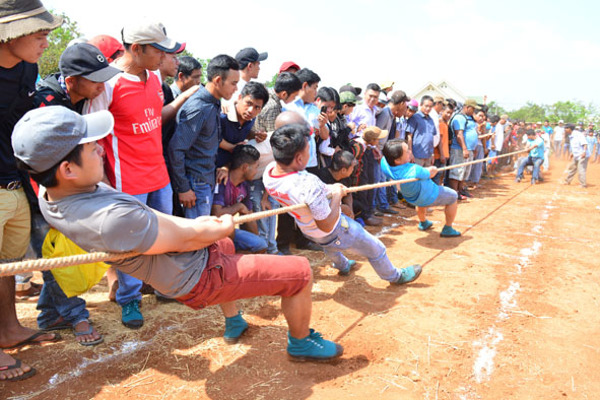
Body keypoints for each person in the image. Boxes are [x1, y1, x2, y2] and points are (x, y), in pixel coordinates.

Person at [13, 106, 344, 362]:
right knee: (299, 272)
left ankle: (234, 322)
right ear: (67, 169)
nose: (101, 149)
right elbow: (185, 238)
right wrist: (217, 224)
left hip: (185, 262)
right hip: (194, 276)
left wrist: (209, 231)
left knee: (225, 242)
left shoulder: (51, 193)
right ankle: (301, 343)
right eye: (90, 147)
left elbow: (149, 218)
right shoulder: (109, 219)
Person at [87, 20, 184, 329]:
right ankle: (129, 299)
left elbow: (154, 121)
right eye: (159, 50)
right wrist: (99, 181)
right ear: (137, 49)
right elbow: (90, 134)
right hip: (125, 181)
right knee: (128, 244)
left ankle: (160, 285)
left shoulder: (155, 78)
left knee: (162, 237)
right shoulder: (109, 84)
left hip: (159, 176)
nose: (164, 57)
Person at [33, 41, 121, 345]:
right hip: (40, 184)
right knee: (57, 252)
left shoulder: (81, 96)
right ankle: (76, 314)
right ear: (71, 81)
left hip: (64, 180)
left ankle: (49, 314)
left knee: (60, 250)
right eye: (96, 80)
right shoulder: (45, 103)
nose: (102, 85)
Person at [264, 122, 423, 284]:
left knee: (328, 246)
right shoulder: (307, 183)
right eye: (307, 150)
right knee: (376, 248)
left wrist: (330, 188)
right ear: (298, 158)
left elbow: (308, 194)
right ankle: (395, 276)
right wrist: (337, 196)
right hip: (333, 229)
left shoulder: (269, 172)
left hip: (307, 229)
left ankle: (343, 265)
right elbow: (326, 224)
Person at [0, 0, 63, 381]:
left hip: (12, 182)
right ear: (10, 32)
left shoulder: (28, 68)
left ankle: (8, 328)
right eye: (38, 32)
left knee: (8, 266)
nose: (45, 40)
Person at [169, 55, 240, 218]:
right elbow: (176, 149)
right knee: (197, 239)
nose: (236, 88)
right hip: (195, 184)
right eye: (233, 83)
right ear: (217, 80)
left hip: (204, 179)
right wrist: (184, 188)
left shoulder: (212, 103)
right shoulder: (199, 107)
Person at [382, 139, 461, 237]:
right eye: (407, 151)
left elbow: (383, 159)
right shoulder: (414, 170)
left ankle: (423, 222)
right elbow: (431, 173)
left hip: (411, 198)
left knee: (420, 197)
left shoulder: (385, 164)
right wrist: (433, 169)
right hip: (428, 196)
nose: (410, 152)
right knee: (453, 196)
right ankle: (448, 228)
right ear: (397, 160)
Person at [212, 145, 267, 253]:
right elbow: (217, 214)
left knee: (260, 245)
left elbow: (249, 216)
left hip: (229, 231)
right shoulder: (222, 180)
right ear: (245, 167)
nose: (257, 171)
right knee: (230, 230)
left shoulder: (245, 185)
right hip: (213, 232)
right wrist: (239, 207)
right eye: (256, 167)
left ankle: (231, 258)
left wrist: (257, 241)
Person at [217, 81, 269, 168]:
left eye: (257, 107)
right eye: (249, 103)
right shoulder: (222, 116)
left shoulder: (251, 119)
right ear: (240, 98)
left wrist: (255, 135)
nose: (251, 110)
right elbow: (212, 137)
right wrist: (233, 147)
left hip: (229, 167)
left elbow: (243, 132)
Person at [447, 99, 481, 200]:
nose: (474, 111)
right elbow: (459, 134)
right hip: (459, 149)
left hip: (469, 149)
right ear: (467, 107)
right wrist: (464, 149)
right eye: (473, 108)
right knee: (457, 171)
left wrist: (472, 148)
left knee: (465, 171)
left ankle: (461, 189)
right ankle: (455, 192)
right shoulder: (459, 118)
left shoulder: (470, 118)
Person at [314, 151, 356, 219]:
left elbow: (348, 194)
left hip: (340, 207)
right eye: (352, 167)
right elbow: (320, 204)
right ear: (343, 170)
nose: (353, 170)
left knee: (359, 206)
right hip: (325, 213)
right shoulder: (321, 178)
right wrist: (342, 208)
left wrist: (350, 209)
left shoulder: (346, 178)